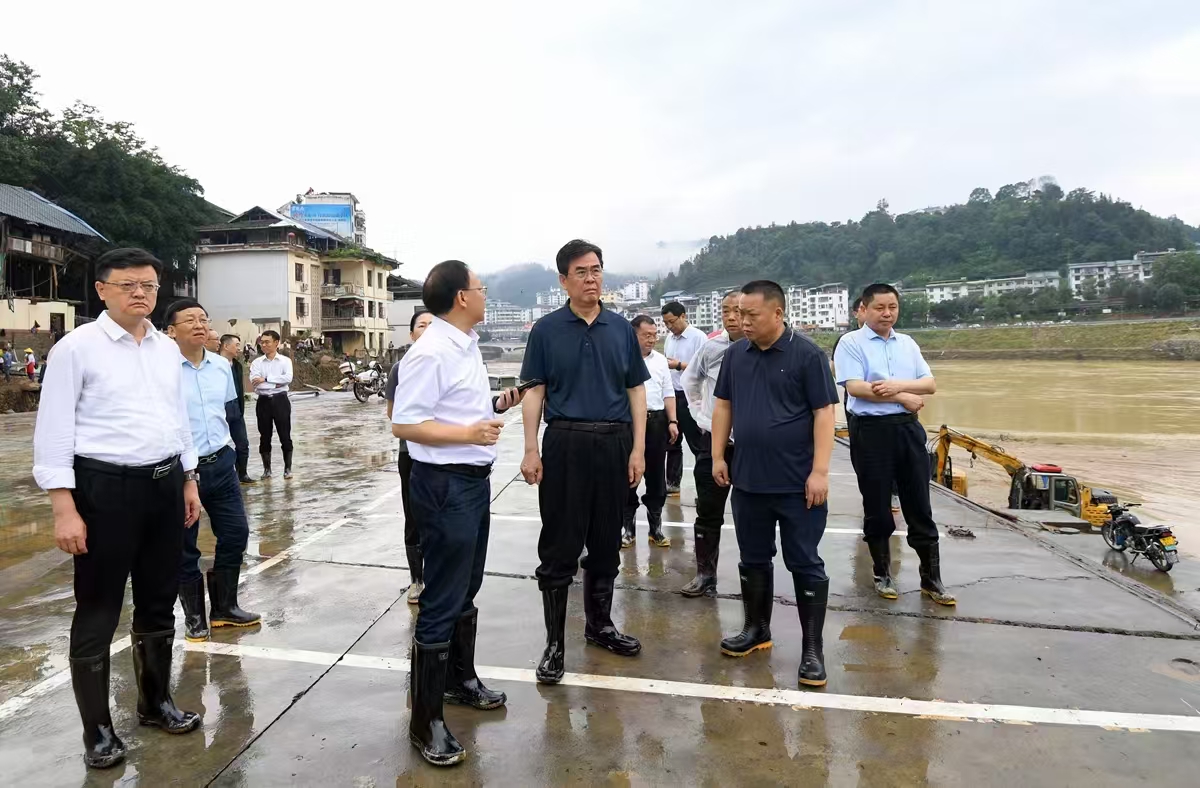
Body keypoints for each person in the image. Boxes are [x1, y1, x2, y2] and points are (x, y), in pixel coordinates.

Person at [32, 247, 203, 769]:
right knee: (100, 607)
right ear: (102, 289)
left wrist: (188, 478)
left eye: (149, 285)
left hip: (164, 483)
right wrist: (65, 505)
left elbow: (177, 417)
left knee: (157, 601)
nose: (140, 293)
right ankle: (98, 730)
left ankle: (155, 702)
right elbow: (55, 429)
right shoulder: (76, 348)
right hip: (104, 489)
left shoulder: (162, 347)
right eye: (128, 284)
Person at [391, 260, 523, 767]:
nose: (486, 294)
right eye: (481, 288)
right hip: (445, 486)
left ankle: (460, 681)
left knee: (465, 586)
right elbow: (405, 423)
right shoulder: (432, 351)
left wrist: (497, 404)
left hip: (471, 483)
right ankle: (425, 722)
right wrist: (469, 435)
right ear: (461, 298)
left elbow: (457, 408)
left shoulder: (463, 346)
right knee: (443, 597)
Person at [520, 239, 649, 684]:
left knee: (606, 542)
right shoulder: (546, 330)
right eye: (582, 271)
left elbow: (636, 390)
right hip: (565, 443)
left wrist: (638, 448)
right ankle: (555, 643)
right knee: (559, 545)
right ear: (563, 281)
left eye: (597, 269)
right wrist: (531, 447)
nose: (592, 277)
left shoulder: (620, 329)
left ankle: (600, 625)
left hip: (614, 443)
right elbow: (534, 391)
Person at [711, 280, 838, 688]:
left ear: (778, 313)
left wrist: (820, 471)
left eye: (751, 315)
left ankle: (812, 650)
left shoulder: (807, 355)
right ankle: (756, 629)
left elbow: (824, 414)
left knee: (804, 562)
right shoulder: (735, 356)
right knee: (752, 559)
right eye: (738, 315)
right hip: (748, 481)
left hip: (798, 483)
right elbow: (724, 405)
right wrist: (717, 456)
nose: (741, 322)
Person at [833, 283, 955, 605]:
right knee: (877, 507)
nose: (887, 314)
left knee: (919, 504)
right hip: (871, 432)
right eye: (880, 308)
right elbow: (857, 388)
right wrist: (903, 395)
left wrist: (893, 386)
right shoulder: (850, 343)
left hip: (907, 430)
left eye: (893, 307)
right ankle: (882, 573)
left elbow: (929, 384)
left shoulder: (908, 344)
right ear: (864, 308)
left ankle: (932, 579)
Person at [165, 301, 262, 642]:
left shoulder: (221, 367)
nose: (199, 325)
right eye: (189, 319)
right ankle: (194, 618)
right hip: (179, 471)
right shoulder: (162, 369)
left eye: (203, 319)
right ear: (171, 330)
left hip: (220, 462)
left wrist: (238, 456)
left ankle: (224, 607)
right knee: (184, 545)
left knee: (236, 533)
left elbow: (230, 413)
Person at [679, 290, 743, 597]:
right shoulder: (712, 347)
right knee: (708, 510)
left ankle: (754, 574)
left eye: (738, 311)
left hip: (753, 447)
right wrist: (701, 416)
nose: (731, 317)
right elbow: (690, 381)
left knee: (751, 512)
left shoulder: (768, 349)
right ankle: (705, 574)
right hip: (713, 443)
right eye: (726, 311)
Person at [384, 310, 435, 604]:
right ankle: (417, 580)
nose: (427, 330)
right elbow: (393, 414)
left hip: (443, 453)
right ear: (412, 334)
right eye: (421, 325)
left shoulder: (448, 365)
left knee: (440, 515)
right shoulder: (400, 369)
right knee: (413, 516)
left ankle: (440, 576)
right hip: (411, 453)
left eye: (432, 325)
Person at [622, 315, 679, 548]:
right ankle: (628, 529)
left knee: (656, 478)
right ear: (633, 335)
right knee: (628, 477)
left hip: (656, 422)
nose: (652, 340)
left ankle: (655, 528)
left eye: (655, 335)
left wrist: (673, 420)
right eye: (647, 335)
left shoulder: (660, 361)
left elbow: (668, 392)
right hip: (629, 424)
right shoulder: (623, 358)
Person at [662, 301, 707, 496]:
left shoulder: (699, 338)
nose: (669, 326)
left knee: (697, 444)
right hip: (672, 396)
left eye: (672, 321)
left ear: (683, 316)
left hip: (692, 398)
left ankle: (704, 487)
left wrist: (679, 365)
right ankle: (672, 484)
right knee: (672, 442)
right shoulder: (669, 339)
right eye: (666, 323)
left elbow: (704, 369)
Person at [249, 330, 294, 480]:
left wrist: (266, 379)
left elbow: (287, 378)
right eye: (262, 342)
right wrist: (274, 383)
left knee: (285, 435)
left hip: (280, 400)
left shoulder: (285, 361)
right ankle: (267, 469)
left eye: (267, 342)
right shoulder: (257, 362)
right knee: (264, 435)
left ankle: (287, 468)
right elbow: (255, 383)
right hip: (263, 402)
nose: (264, 345)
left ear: (276, 343)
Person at [219, 334, 255, 484]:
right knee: (220, 445)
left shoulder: (237, 365)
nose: (239, 349)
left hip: (236, 408)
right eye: (237, 345)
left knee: (242, 443)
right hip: (220, 409)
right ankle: (224, 477)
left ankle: (242, 474)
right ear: (226, 346)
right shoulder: (215, 364)